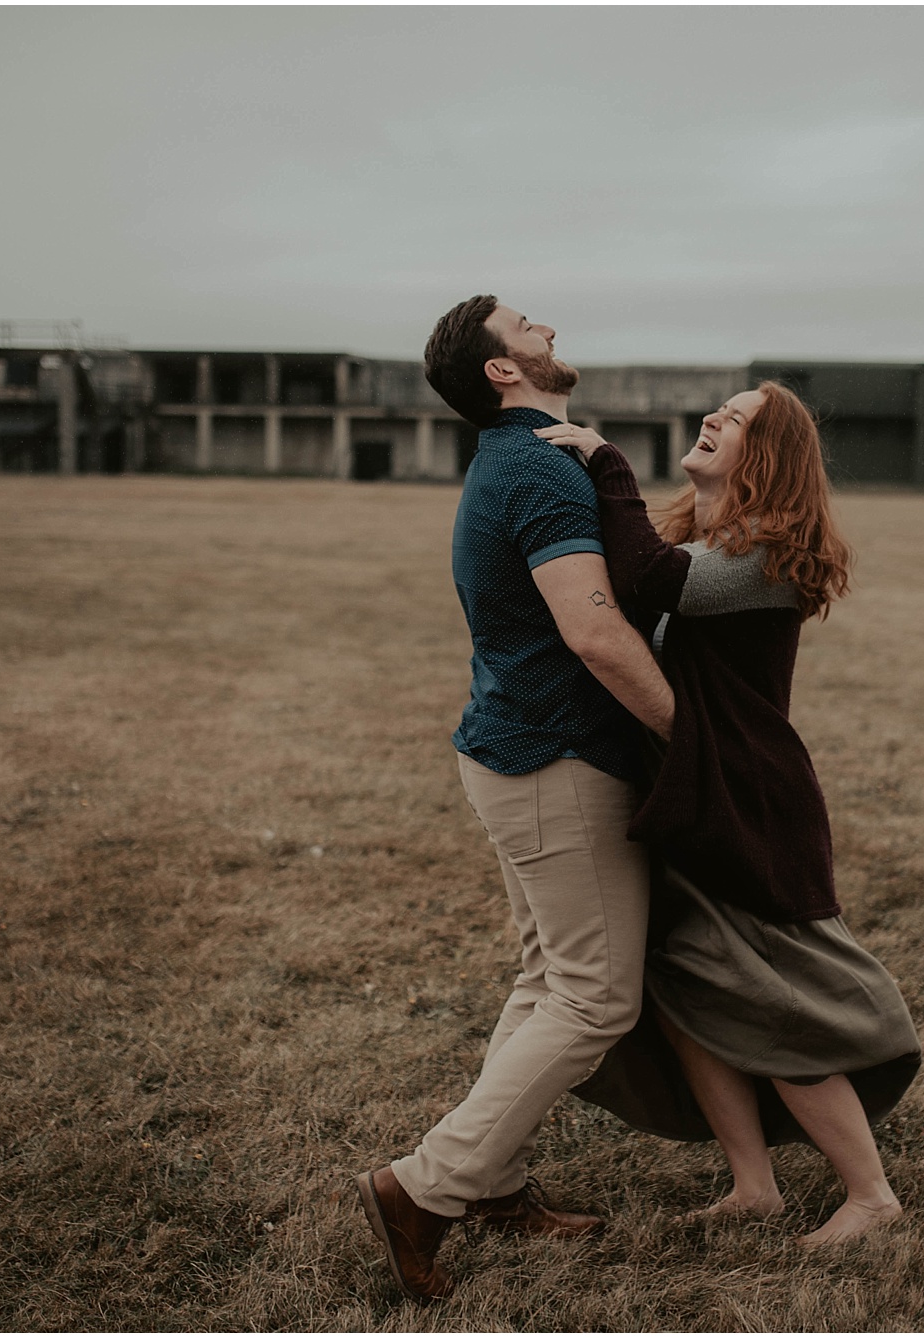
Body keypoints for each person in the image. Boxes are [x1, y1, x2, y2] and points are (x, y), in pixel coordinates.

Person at [536, 383, 922, 1247]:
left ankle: (871, 1196)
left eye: (737, 418)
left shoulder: (770, 553)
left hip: (748, 801)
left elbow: (652, 580)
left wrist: (604, 461)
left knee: (770, 999)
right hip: (685, 791)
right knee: (687, 990)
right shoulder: (694, 533)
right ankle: (754, 1186)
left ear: (768, 455)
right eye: (721, 408)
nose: (714, 417)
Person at [355, 296, 675, 1303]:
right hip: (553, 759)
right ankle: (424, 1186)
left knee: (549, 978)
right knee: (594, 997)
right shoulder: (533, 465)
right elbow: (593, 632)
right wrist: (696, 742)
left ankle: (486, 1182)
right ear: (501, 371)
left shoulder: (530, 455)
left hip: (517, 753)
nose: (542, 324)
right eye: (523, 323)